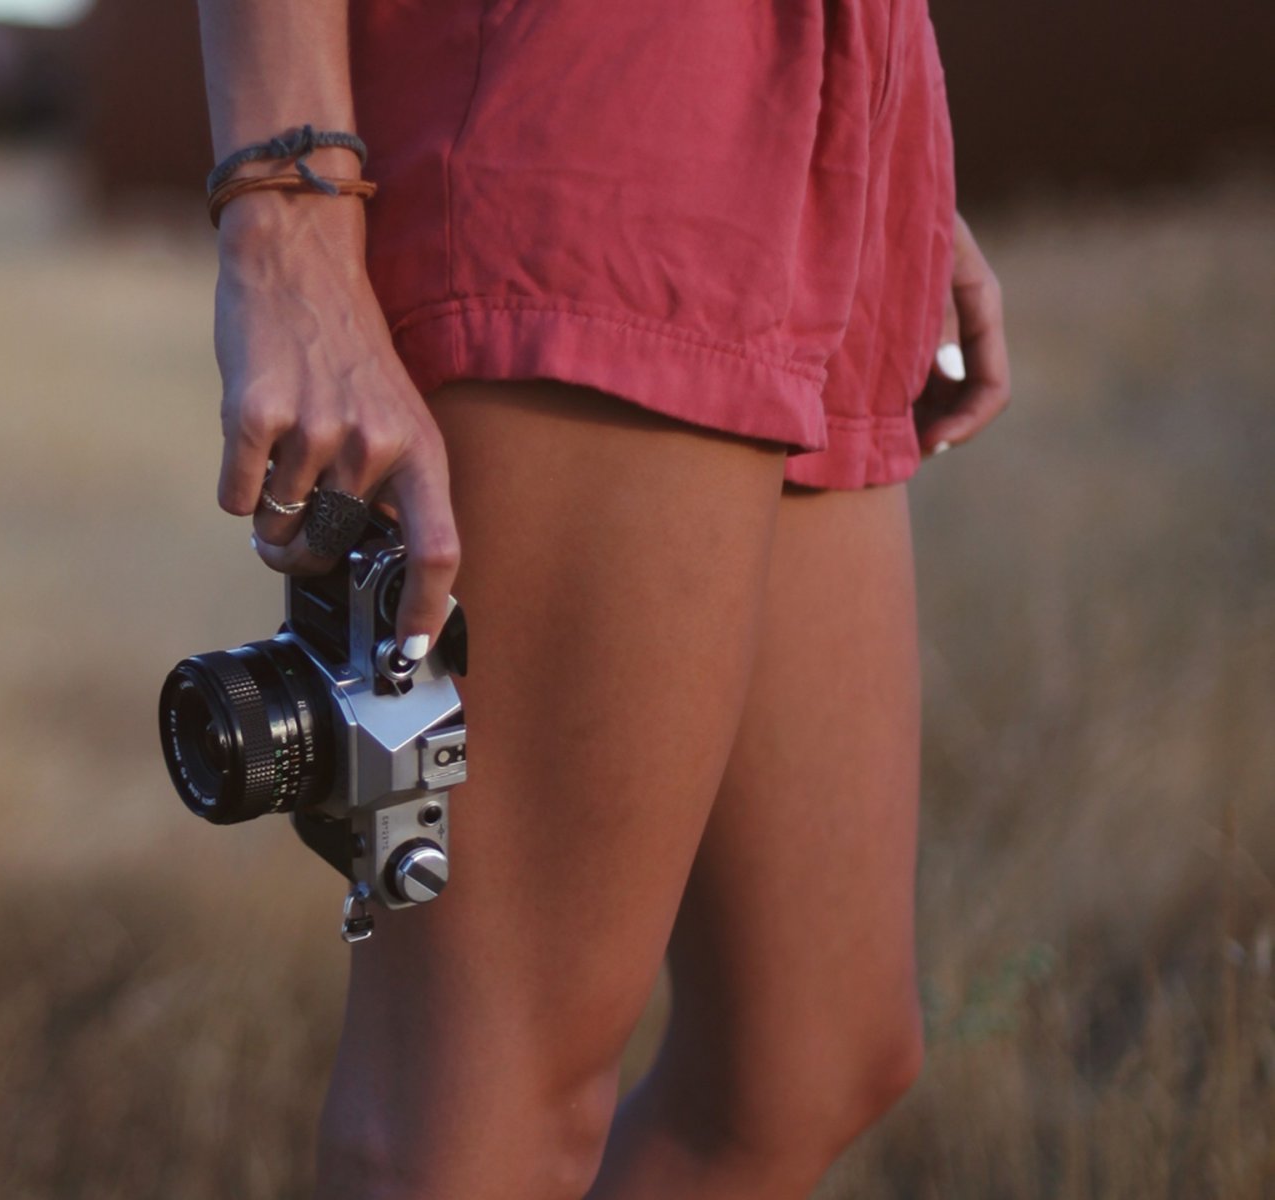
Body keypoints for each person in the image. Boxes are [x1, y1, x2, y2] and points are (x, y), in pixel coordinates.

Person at [195, 0, 1011, 1196]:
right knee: (477, 1100)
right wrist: (285, 209)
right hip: (596, 85)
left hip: (813, 90)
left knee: (812, 1062)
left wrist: (854, 128)